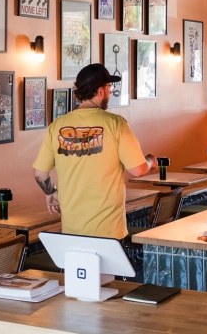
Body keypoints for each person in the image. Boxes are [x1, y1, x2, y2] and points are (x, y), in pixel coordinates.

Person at [32, 63, 156, 240]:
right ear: (100, 91)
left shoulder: (57, 126)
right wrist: (151, 161)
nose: (111, 91)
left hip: (72, 229)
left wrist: (51, 193)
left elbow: (40, 175)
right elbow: (139, 169)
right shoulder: (116, 124)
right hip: (108, 230)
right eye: (109, 87)